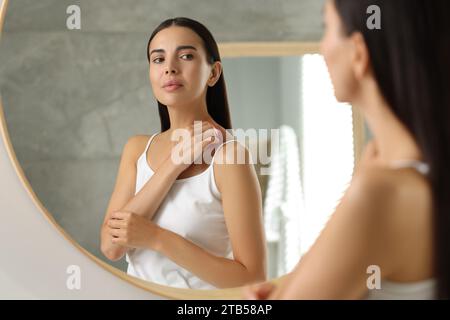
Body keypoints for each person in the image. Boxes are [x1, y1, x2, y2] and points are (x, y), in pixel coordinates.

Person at [245, 0, 450, 299]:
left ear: (358, 53)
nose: (322, 46)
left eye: (327, 28)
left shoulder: (381, 192)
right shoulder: (411, 173)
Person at [100, 17, 266, 289]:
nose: (170, 69)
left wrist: (156, 238)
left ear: (213, 73)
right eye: (158, 59)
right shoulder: (137, 149)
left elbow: (252, 278)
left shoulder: (228, 158)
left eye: (186, 56)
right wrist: (173, 164)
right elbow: (110, 247)